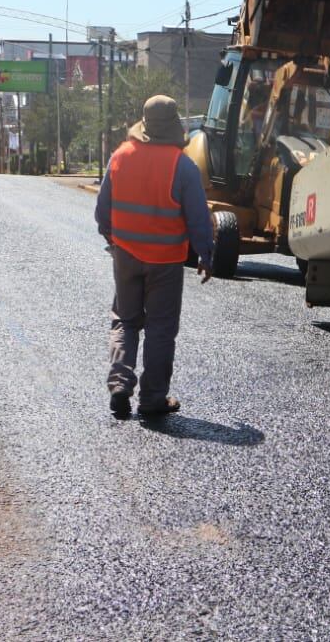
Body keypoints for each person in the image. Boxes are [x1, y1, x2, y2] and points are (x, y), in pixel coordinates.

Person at [95, 95, 215, 420]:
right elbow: (198, 218)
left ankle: (120, 383)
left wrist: (113, 238)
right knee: (161, 328)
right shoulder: (183, 166)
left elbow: (102, 211)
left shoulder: (120, 157)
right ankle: (152, 399)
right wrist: (205, 254)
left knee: (125, 319)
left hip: (126, 256)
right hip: (166, 261)